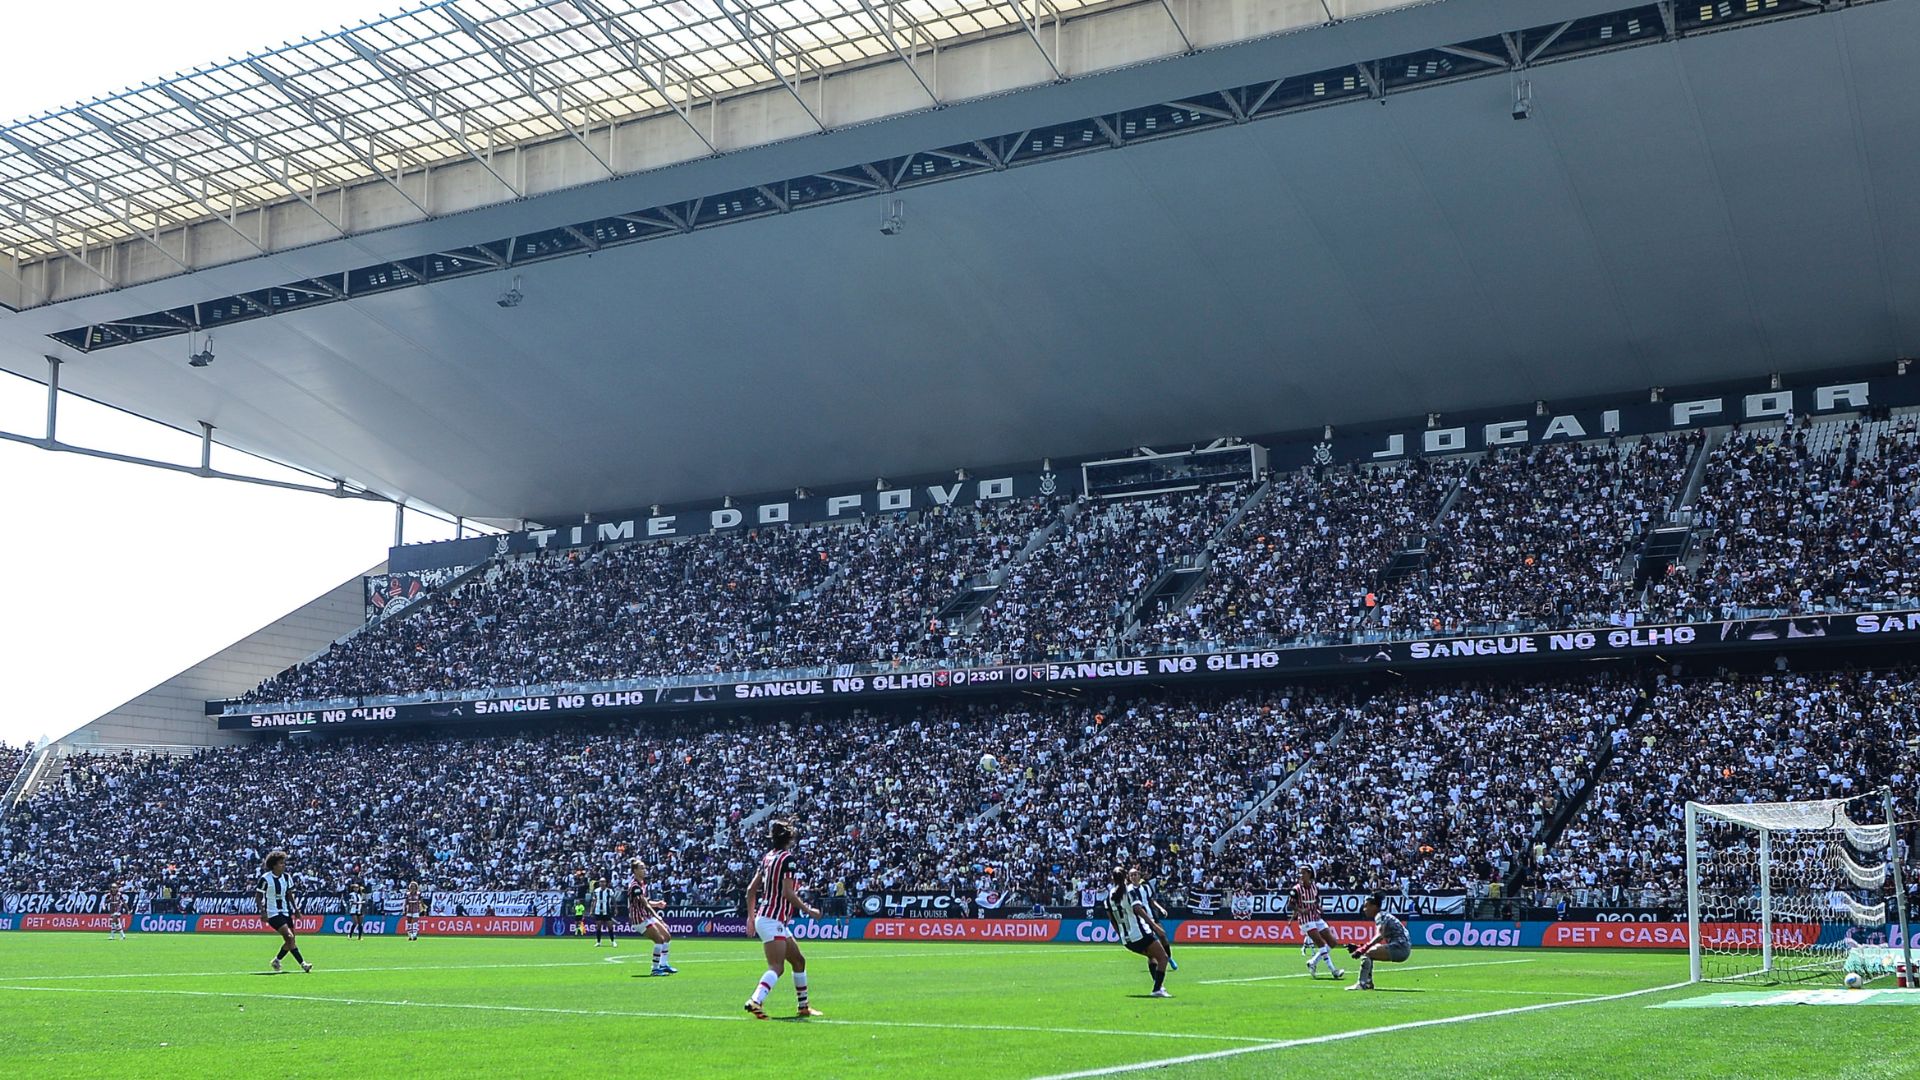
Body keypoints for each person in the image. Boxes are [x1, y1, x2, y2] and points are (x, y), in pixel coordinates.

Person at [741, 820, 824, 1019]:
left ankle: (803, 1006)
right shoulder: (788, 860)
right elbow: (788, 893)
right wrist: (809, 910)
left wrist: (751, 919)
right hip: (773, 919)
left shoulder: (768, 858)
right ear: (790, 839)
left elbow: (750, 890)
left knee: (798, 961)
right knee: (777, 967)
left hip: (767, 918)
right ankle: (755, 1000)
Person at [1106, 866, 1172, 998]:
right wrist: (1154, 926)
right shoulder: (1130, 891)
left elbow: (1112, 920)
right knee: (1163, 958)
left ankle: (1158, 986)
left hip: (1127, 940)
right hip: (1140, 934)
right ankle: (1157, 989)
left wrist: (1121, 935)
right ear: (1126, 877)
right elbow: (1138, 910)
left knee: (1152, 957)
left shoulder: (1110, 896)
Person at [256, 851, 311, 973]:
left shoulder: (286, 877)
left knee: (291, 940)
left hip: (286, 911)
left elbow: (289, 894)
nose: (283, 865)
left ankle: (277, 960)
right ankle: (303, 964)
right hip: (272, 913)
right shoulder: (265, 879)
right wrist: (263, 911)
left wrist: (296, 909)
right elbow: (258, 896)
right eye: (281, 863)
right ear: (274, 865)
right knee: (289, 937)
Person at [1345, 894, 1411, 991]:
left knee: (1367, 952)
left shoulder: (1380, 916)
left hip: (1399, 948)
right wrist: (1359, 947)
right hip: (1402, 947)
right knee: (1369, 951)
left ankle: (1361, 984)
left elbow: (1380, 936)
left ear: (1374, 906)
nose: (1364, 909)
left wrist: (1363, 949)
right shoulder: (1384, 915)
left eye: (1366, 906)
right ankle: (1367, 983)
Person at [1293, 866, 1344, 980]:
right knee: (1320, 943)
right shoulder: (1296, 889)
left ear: (1309, 874)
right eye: (1299, 874)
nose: (1301, 876)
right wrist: (1301, 910)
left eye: (1303, 873)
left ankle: (1313, 962)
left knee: (1333, 942)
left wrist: (1319, 907)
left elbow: (1316, 900)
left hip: (1315, 916)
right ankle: (1333, 970)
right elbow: (1290, 904)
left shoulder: (1315, 887)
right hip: (1305, 919)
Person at [629, 859, 676, 975]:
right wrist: (658, 916)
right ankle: (655, 969)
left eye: (644, 868)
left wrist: (657, 904)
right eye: (641, 868)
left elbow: (646, 901)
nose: (644, 870)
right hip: (639, 919)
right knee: (659, 940)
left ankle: (663, 964)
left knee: (667, 936)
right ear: (635, 871)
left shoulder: (642, 884)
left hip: (646, 916)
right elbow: (644, 904)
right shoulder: (635, 886)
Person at [1127, 865, 1177, 971]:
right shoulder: (1129, 890)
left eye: (1135, 874)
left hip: (1151, 915)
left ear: (1139, 876)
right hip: (1141, 919)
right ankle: (1156, 965)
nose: (1133, 877)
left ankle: (1169, 958)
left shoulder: (1145, 887)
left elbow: (1151, 900)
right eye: (1131, 875)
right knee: (1151, 943)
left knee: (1162, 935)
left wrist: (1161, 908)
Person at [589, 877, 617, 947]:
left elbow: (613, 900)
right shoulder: (596, 891)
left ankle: (613, 941)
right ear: (599, 883)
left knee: (610, 927)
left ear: (606, 883)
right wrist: (591, 910)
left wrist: (616, 908)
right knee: (598, 927)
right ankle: (598, 942)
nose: (602, 883)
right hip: (598, 911)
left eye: (603, 882)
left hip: (607, 911)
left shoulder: (609, 891)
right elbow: (594, 901)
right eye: (601, 882)